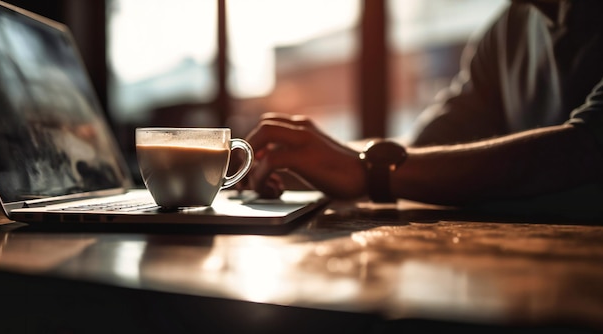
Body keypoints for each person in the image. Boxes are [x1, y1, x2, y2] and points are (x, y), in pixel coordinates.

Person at [242, 0, 603, 211]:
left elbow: (585, 149)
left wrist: (370, 171)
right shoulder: (509, 28)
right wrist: (294, 160)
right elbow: (428, 145)